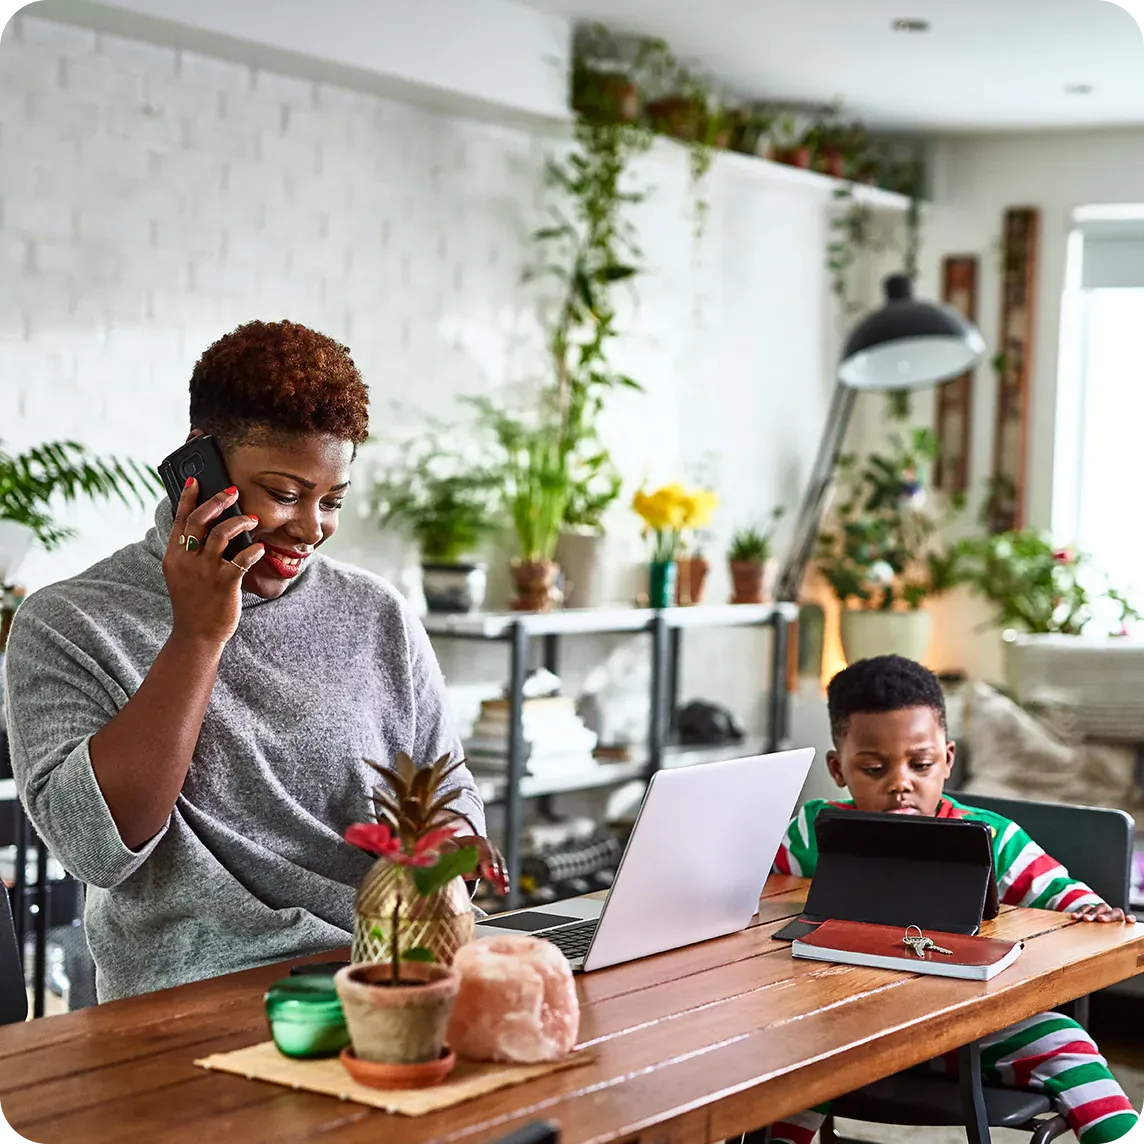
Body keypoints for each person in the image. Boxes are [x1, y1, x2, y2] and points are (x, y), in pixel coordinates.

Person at [3, 320, 495, 1002]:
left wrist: (445, 871)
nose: (311, 528)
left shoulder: (374, 612)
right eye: (286, 494)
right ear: (198, 467)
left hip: (395, 971)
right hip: (197, 1002)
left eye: (332, 501)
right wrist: (199, 635)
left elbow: (449, 788)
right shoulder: (69, 623)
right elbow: (96, 851)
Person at [768, 655, 1138, 1144]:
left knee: (1065, 1041)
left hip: (966, 1035)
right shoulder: (813, 831)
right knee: (777, 1066)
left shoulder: (992, 839)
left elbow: (1070, 904)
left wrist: (1090, 911)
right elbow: (759, 902)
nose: (900, 782)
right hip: (842, 1034)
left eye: (920, 765)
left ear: (947, 759)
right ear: (838, 768)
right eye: (874, 768)